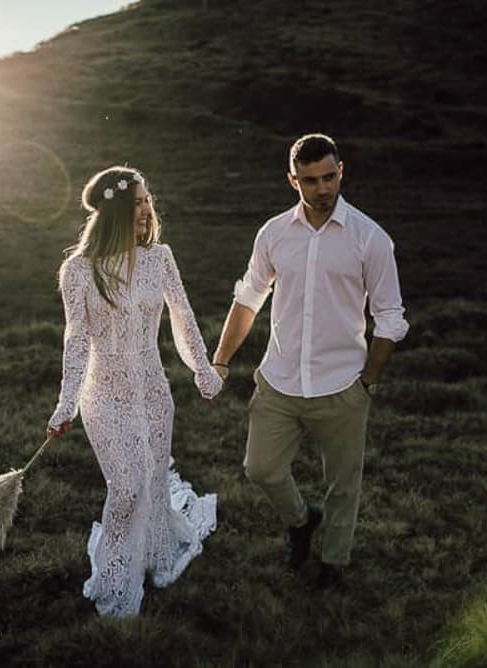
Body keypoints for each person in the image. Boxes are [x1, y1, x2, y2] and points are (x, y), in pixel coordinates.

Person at [212, 133, 409, 588]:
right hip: (279, 382)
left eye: (329, 177)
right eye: (310, 180)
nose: (322, 188)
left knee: (344, 485)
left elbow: (391, 318)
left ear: (342, 171)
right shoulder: (273, 233)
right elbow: (248, 299)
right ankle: (301, 521)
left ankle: (334, 565)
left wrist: (369, 383)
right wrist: (221, 360)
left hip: (343, 386)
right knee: (259, 468)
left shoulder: (370, 238)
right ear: (292, 180)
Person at [47, 165, 223, 617]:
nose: (146, 210)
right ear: (113, 212)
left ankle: (158, 553)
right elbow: (77, 339)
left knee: (152, 482)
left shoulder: (159, 258)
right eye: (137, 203)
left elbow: (182, 318)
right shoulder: (78, 271)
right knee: (126, 487)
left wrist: (202, 370)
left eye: (147, 201)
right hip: (103, 397)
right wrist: (66, 404)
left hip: (154, 395)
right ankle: (114, 581)